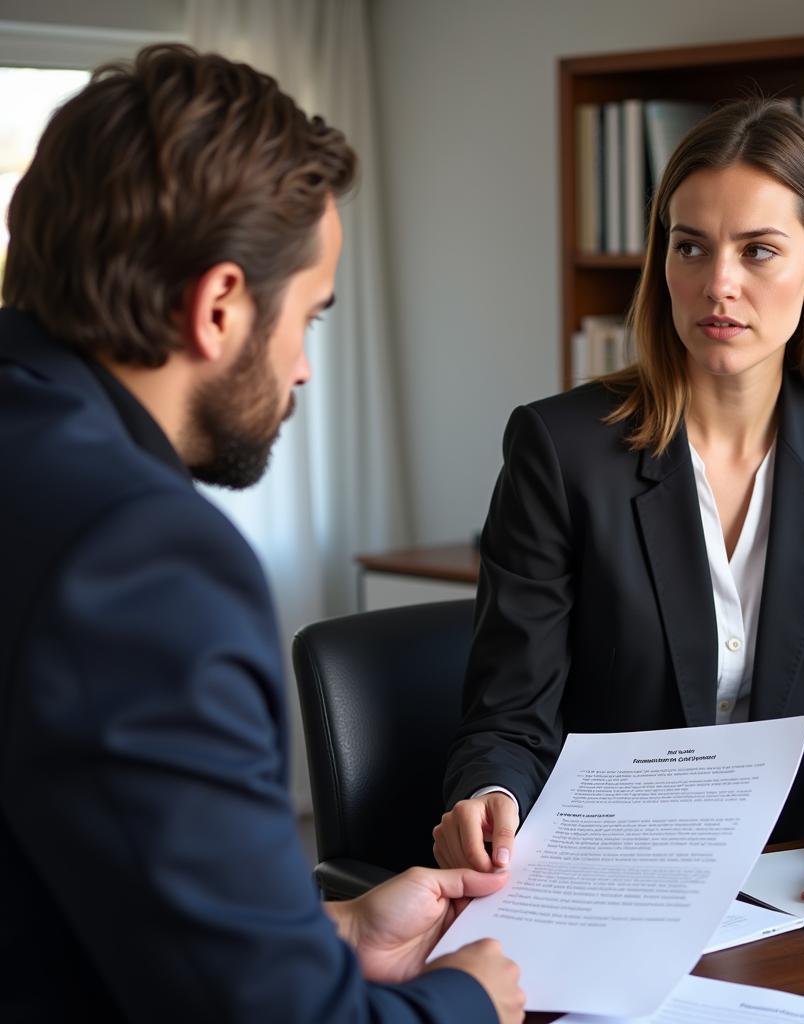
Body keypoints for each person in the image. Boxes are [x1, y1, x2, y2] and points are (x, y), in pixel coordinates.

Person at [0, 44, 524, 1024]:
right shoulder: (140, 555)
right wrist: (463, 1003)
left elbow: (64, 887)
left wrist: (329, 931)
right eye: (309, 322)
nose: (303, 373)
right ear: (219, 306)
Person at [436, 98, 804, 923]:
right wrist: (488, 792)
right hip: (596, 888)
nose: (719, 285)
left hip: (785, 890)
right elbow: (509, 714)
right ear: (662, 258)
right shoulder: (560, 450)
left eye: (759, 251)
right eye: (691, 246)